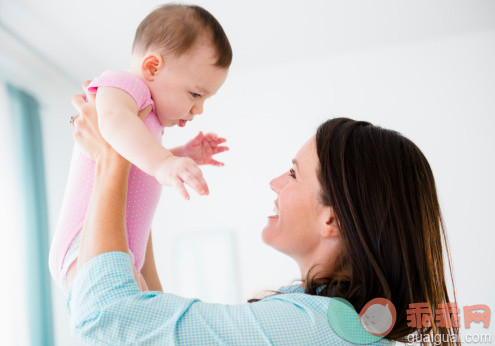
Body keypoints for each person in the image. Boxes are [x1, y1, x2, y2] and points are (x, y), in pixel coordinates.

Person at [66, 83, 460, 344]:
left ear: (333, 219)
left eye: (293, 173)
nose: (275, 182)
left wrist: (112, 159)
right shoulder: (334, 322)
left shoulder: (314, 326)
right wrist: (138, 188)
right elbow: (159, 325)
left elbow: (107, 320)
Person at [48, 4, 232, 295]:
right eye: (195, 94)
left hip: (124, 251)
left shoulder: (147, 121)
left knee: (151, 316)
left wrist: (181, 154)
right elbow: (112, 121)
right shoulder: (123, 85)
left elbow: (133, 160)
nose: (198, 109)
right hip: (85, 241)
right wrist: (162, 164)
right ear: (152, 67)